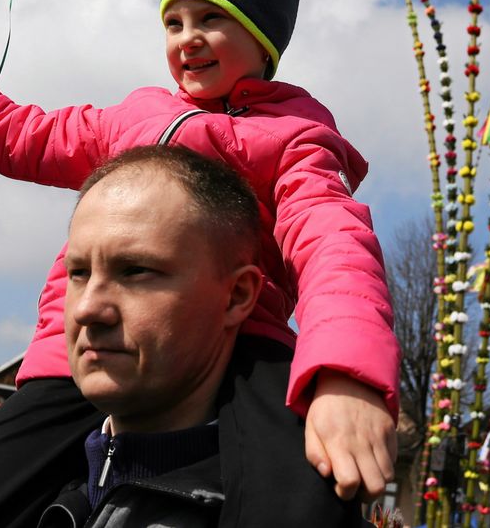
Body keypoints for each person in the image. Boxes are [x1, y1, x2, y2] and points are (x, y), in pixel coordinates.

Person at [0, 0, 398, 527]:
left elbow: (333, 244)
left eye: (210, 19)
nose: (188, 39)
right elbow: (20, 132)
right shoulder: (134, 116)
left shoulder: (294, 137)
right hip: (74, 358)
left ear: (263, 37)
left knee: (304, 478)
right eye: (174, 22)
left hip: (244, 345)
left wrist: (344, 374)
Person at [38, 145, 364, 526]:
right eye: (78, 273)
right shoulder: (16, 499)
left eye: (136, 271)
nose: (86, 309)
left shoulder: (300, 510)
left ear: (237, 296)